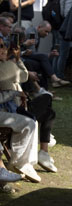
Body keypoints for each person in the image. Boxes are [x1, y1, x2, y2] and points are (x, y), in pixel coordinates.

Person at [0, 37, 41, 182]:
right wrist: (17, 60)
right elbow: (23, 76)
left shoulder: (5, 65)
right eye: (1, 46)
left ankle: (24, 162)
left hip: (9, 108)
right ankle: (19, 163)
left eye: (4, 46)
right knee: (30, 122)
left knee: (32, 122)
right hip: (6, 110)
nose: (4, 49)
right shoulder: (5, 66)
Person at [22, 21, 70, 89]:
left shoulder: (35, 33)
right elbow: (31, 52)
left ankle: (46, 89)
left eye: (48, 32)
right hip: (22, 56)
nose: (47, 34)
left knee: (43, 61)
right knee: (43, 57)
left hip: (26, 55)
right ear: (39, 27)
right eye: (46, 31)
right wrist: (47, 55)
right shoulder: (31, 33)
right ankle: (54, 79)